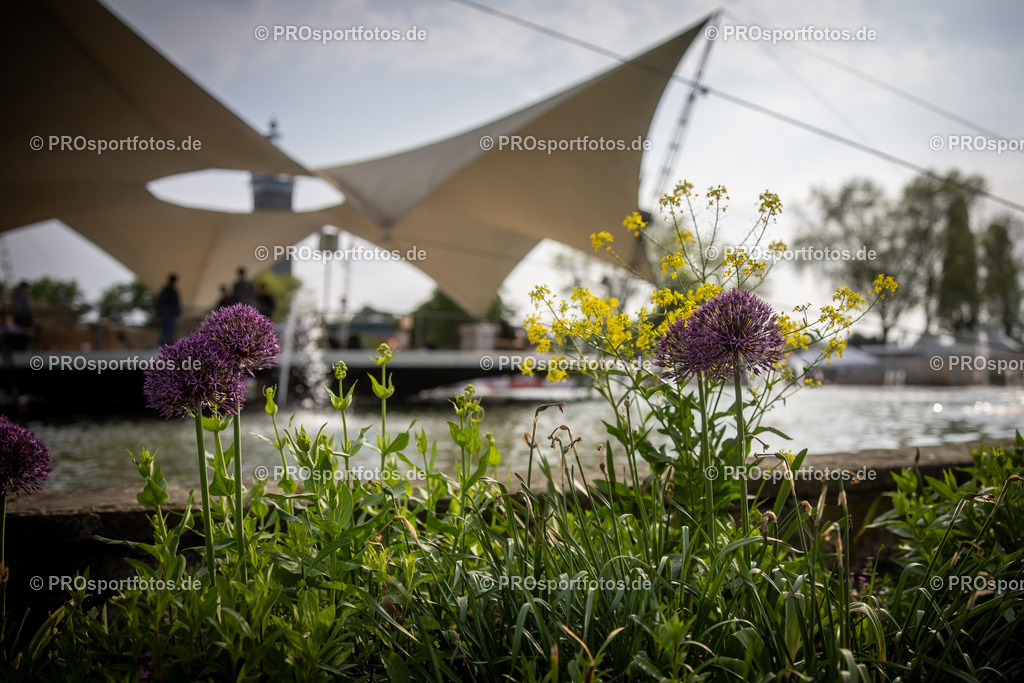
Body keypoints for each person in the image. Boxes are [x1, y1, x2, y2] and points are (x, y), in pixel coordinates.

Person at [155, 274, 181, 346]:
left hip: (166, 313)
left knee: (166, 330)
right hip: (169, 313)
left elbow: (159, 302)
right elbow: (176, 303)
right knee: (168, 330)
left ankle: (163, 345)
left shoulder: (166, 290)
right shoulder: (171, 290)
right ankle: (165, 345)